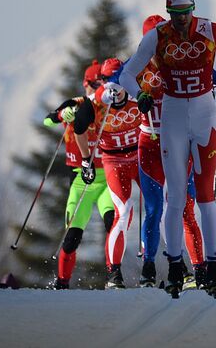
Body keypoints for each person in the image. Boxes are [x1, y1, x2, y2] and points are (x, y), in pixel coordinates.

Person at [119, 0, 216, 295]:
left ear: (194, 7)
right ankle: (176, 265)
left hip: (204, 118)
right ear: (168, 9)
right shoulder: (157, 36)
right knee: (175, 198)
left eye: (186, 12)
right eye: (176, 12)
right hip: (173, 120)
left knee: (206, 199)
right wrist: (138, 95)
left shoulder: (211, 31)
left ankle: (212, 265)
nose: (181, 19)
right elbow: (125, 74)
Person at [127, 15, 205, 288]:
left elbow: (213, 74)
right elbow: (112, 83)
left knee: (185, 209)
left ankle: (196, 270)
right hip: (149, 144)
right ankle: (149, 267)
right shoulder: (138, 64)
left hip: (178, 144)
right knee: (154, 209)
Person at [43, 60, 114, 289]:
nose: (100, 87)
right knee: (73, 237)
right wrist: (63, 114)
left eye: (104, 82)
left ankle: (115, 278)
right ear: (86, 84)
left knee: (114, 226)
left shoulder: (109, 105)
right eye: (96, 83)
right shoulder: (76, 103)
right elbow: (48, 121)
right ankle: (62, 282)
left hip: (106, 181)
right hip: (81, 181)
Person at [73, 58, 142, 288]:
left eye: (118, 79)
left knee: (161, 205)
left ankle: (171, 266)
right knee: (123, 213)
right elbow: (78, 129)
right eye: (107, 80)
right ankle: (114, 274)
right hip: (114, 161)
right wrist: (85, 161)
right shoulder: (95, 102)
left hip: (141, 157)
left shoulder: (137, 92)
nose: (114, 86)